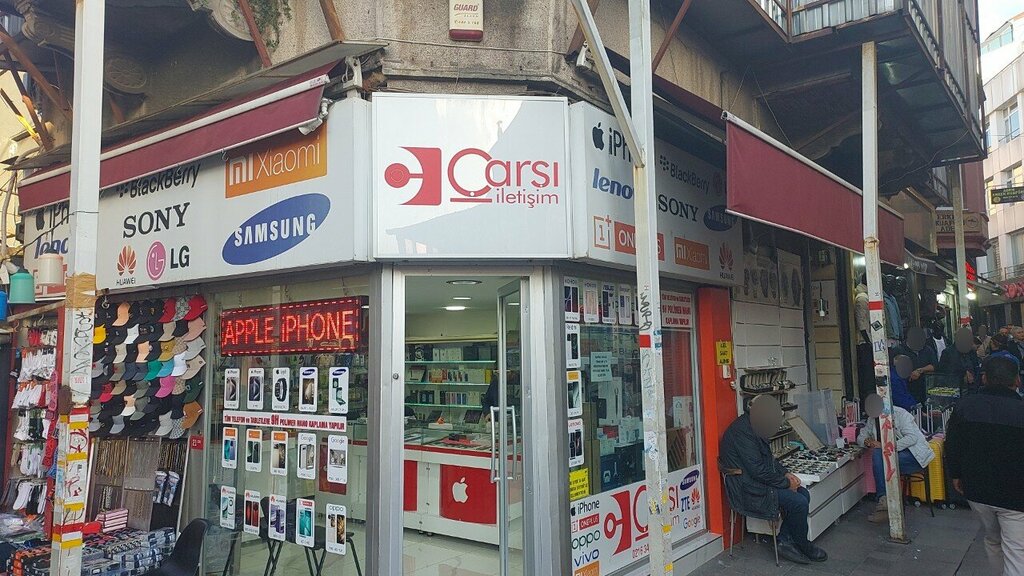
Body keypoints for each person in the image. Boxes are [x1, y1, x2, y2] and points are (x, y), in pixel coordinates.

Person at [720, 395, 827, 565]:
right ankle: (802, 544)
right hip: (748, 488)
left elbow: (768, 460)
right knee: (799, 502)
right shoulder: (743, 432)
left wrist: (786, 474)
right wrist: (786, 483)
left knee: (803, 494)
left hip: (756, 482)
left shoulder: (753, 426)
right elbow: (757, 470)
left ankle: (785, 539)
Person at [946, 355, 1024, 576]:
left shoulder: (965, 406)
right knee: (1016, 549)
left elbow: (952, 444)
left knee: (992, 539)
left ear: (984, 378)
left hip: (977, 491)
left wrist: (956, 475)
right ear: (1017, 380)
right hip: (1016, 495)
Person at [858, 394, 934, 524]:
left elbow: (912, 438)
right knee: (880, 456)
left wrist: (885, 446)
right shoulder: (872, 420)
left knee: (880, 457)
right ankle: (886, 501)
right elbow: (861, 436)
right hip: (892, 456)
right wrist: (866, 441)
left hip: (913, 455)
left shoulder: (900, 414)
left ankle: (884, 502)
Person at [899, 327, 937, 404]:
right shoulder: (899, 350)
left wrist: (920, 370)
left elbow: (934, 366)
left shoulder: (927, 349)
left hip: (925, 389)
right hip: (907, 390)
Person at [938, 327, 981, 392]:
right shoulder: (947, 352)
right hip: (955, 388)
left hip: (972, 389)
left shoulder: (972, 352)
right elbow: (944, 372)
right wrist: (963, 374)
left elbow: (976, 368)